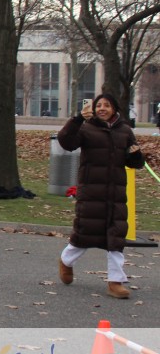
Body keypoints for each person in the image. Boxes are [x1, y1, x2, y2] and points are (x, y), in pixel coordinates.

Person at [56, 94, 144, 299]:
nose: (102, 108)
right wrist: (78, 119)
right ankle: (66, 261)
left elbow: (135, 163)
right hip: (91, 192)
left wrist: (136, 154)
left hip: (116, 195)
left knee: (116, 238)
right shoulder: (86, 128)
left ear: (115, 109)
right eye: (99, 105)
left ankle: (115, 282)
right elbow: (66, 142)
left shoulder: (125, 131)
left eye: (107, 105)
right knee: (84, 235)